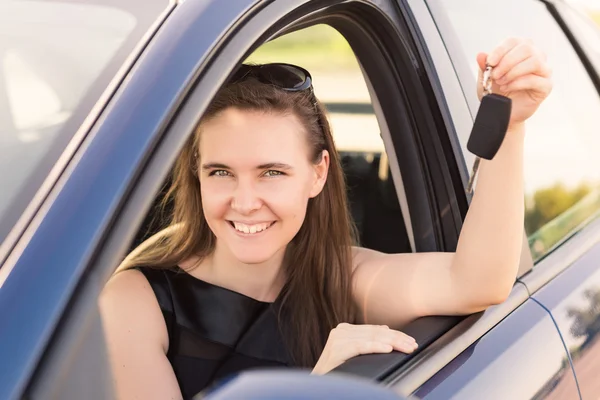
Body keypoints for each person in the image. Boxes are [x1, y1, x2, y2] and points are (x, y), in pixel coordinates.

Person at [99, 37, 553, 400]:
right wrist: (313, 390)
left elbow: (478, 281)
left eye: (271, 172)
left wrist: (509, 128)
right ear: (196, 174)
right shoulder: (136, 302)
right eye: (220, 172)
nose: (244, 201)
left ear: (318, 174)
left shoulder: (338, 273)